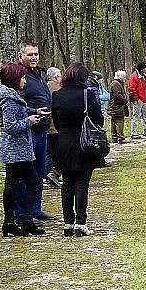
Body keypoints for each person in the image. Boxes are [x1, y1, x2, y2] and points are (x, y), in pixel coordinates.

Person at [0, 63, 48, 236]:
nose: (24, 80)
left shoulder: (10, 96)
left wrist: (35, 110)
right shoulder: (8, 99)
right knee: (29, 181)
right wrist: (30, 121)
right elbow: (10, 126)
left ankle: (12, 222)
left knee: (14, 182)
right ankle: (24, 220)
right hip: (16, 148)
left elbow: (20, 110)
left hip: (15, 147)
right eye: (22, 77)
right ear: (15, 79)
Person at [51, 62, 104, 237]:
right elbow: (98, 119)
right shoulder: (87, 95)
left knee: (67, 184)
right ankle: (81, 223)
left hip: (64, 142)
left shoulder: (57, 96)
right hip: (84, 143)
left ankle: (68, 223)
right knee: (82, 183)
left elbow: (56, 122)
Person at [15, 41, 55, 222]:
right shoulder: (19, 76)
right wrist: (33, 113)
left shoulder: (38, 74)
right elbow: (18, 104)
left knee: (39, 171)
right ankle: (22, 212)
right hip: (29, 131)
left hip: (43, 129)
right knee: (26, 173)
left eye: (36, 54)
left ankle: (35, 209)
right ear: (21, 56)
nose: (34, 58)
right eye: (30, 55)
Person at [45, 67, 63, 188]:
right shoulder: (57, 89)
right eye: (60, 75)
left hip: (45, 126)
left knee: (48, 152)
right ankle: (53, 174)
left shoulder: (44, 87)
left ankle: (47, 174)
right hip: (56, 125)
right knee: (58, 152)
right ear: (56, 77)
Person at [128, 61, 146, 138]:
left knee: (145, 115)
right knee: (136, 115)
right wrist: (136, 98)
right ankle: (133, 132)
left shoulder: (143, 76)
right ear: (142, 69)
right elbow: (132, 88)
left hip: (144, 98)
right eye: (144, 68)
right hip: (138, 99)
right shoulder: (134, 76)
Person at [107, 70, 130, 143]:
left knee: (114, 121)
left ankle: (115, 137)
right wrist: (125, 101)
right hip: (117, 107)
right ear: (120, 77)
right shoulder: (116, 84)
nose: (125, 78)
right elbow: (117, 96)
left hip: (115, 106)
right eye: (124, 77)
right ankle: (120, 138)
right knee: (119, 122)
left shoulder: (117, 83)